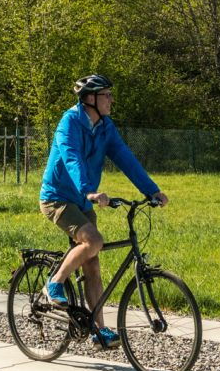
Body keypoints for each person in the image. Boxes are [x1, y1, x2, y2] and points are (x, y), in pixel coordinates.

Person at [39, 74, 169, 350]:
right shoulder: (69, 123)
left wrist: (152, 191)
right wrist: (88, 190)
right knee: (93, 241)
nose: (111, 100)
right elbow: (71, 157)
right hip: (58, 198)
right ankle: (54, 282)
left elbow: (126, 159)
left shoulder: (106, 128)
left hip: (84, 202)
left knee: (93, 265)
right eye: (106, 95)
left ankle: (99, 331)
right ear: (90, 99)